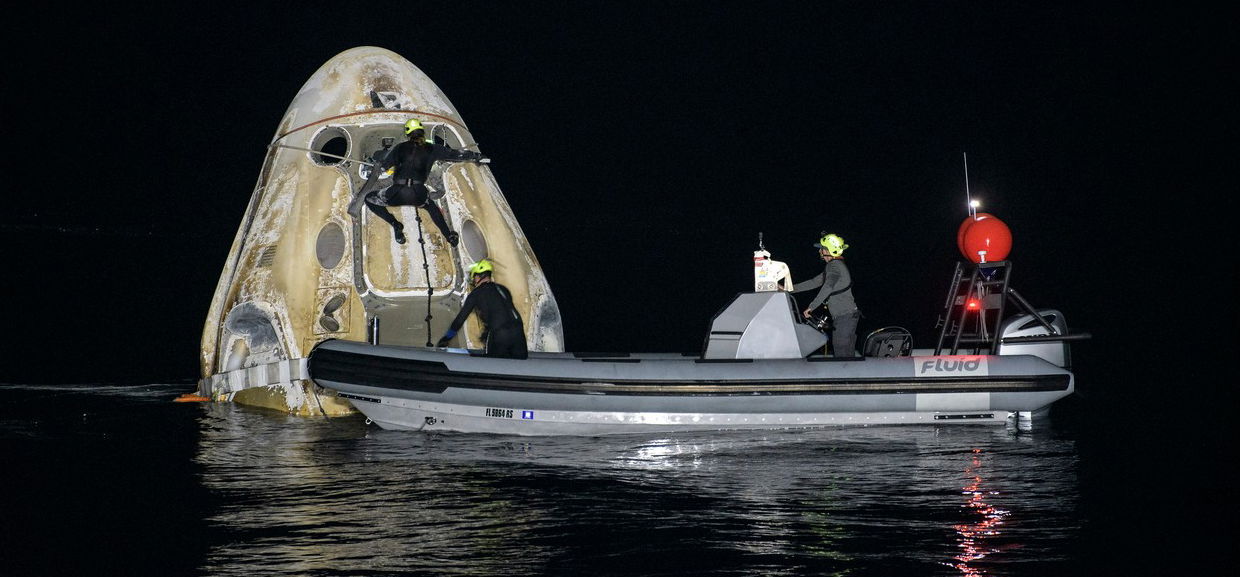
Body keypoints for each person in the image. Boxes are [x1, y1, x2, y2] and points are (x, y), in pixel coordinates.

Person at [364, 118, 485, 245]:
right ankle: (449, 236)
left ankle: (395, 224)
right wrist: (477, 156)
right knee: (431, 207)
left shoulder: (399, 148)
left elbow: (384, 167)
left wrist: (376, 164)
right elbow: (456, 154)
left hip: (396, 193)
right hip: (418, 194)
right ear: (422, 132)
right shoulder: (433, 148)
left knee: (369, 199)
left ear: (407, 134)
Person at [436, 259, 528, 359]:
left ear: (478, 276)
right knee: (519, 363)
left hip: (500, 334)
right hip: (518, 332)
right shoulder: (503, 289)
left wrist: (447, 338)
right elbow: (503, 312)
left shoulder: (476, 294)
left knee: (493, 366)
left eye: (474, 276)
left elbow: (460, 319)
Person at [793, 233, 861, 357]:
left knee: (842, 356)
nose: (820, 251)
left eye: (822, 248)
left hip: (845, 318)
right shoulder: (835, 266)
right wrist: (788, 289)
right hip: (846, 317)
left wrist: (811, 307)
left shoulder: (833, 265)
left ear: (828, 251)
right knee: (847, 355)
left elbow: (828, 287)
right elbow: (814, 282)